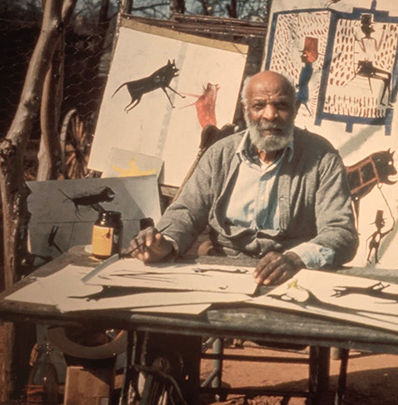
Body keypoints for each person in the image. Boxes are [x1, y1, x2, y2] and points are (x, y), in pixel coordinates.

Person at [127, 71, 359, 287]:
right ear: (246, 110)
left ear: (296, 109)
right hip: (219, 272)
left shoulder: (321, 157)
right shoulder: (221, 154)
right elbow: (187, 212)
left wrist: (296, 258)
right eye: (259, 106)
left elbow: (341, 233)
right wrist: (163, 243)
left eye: (281, 105)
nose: (270, 115)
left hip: (290, 278)